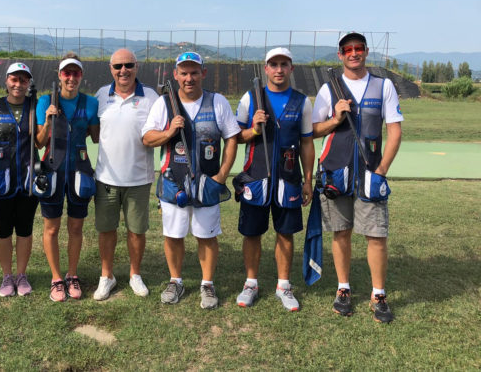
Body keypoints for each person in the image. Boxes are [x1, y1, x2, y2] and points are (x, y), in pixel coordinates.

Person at [312, 32, 403, 323]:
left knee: (376, 234)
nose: (354, 53)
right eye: (348, 49)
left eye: (359, 48)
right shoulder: (330, 89)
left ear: (365, 52)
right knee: (341, 232)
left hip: (370, 174)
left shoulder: (383, 85)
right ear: (340, 55)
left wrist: (382, 169)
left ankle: (378, 294)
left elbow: (395, 130)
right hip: (336, 172)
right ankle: (344, 289)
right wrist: (336, 118)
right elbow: (314, 130)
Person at [142, 51, 239, 309]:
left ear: (203, 74)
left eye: (194, 72)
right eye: (183, 73)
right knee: (173, 235)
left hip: (208, 184)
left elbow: (232, 138)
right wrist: (169, 131)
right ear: (175, 75)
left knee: (206, 236)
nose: (189, 78)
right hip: (174, 183)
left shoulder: (217, 102)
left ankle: (207, 284)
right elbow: (147, 138)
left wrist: (222, 175)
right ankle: (175, 280)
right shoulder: (165, 104)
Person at [233, 47, 315, 312]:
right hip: (256, 179)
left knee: (286, 233)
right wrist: (253, 128)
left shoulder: (303, 101)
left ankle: (283, 285)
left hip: (289, 179)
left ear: (291, 68)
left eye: (284, 64)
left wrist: (308, 179)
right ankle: (251, 283)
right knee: (252, 233)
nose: (279, 69)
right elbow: (236, 136)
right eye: (274, 64)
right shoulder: (250, 98)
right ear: (266, 69)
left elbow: (306, 143)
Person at [92, 49, 159, 301]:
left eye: (128, 65)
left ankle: (134, 274)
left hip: (139, 180)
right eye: (118, 66)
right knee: (106, 230)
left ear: (136, 66)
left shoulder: (151, 96)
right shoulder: (101, 95)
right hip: (106, 179)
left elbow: (159, 132)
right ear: (111, 68)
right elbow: (95, 134)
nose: (123, 70)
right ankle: (106, 276)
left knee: (136, 231)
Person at [34, 53, 99, 302]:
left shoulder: (90, 103)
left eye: (76, 73)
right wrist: (49, 121)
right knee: (51, 227)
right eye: (66, 73)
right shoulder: (44, 101)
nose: (71, 78)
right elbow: (40, 143)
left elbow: (96, 136)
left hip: (80, 171)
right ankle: (56, 278)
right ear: (60, 75)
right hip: (52, 170)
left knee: (76, 227)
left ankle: (72, 274)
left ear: (81, 75)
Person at [0, 62, 40, 297]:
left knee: (25, 229)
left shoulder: (35, 106)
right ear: (6, 81)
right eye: (14, 79)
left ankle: (21, 275)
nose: (19, 84)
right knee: (3, 230)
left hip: (28, 179)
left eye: (23, 80)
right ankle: (7, 276)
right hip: (0, 179)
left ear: (28, 83)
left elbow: (43, 138)